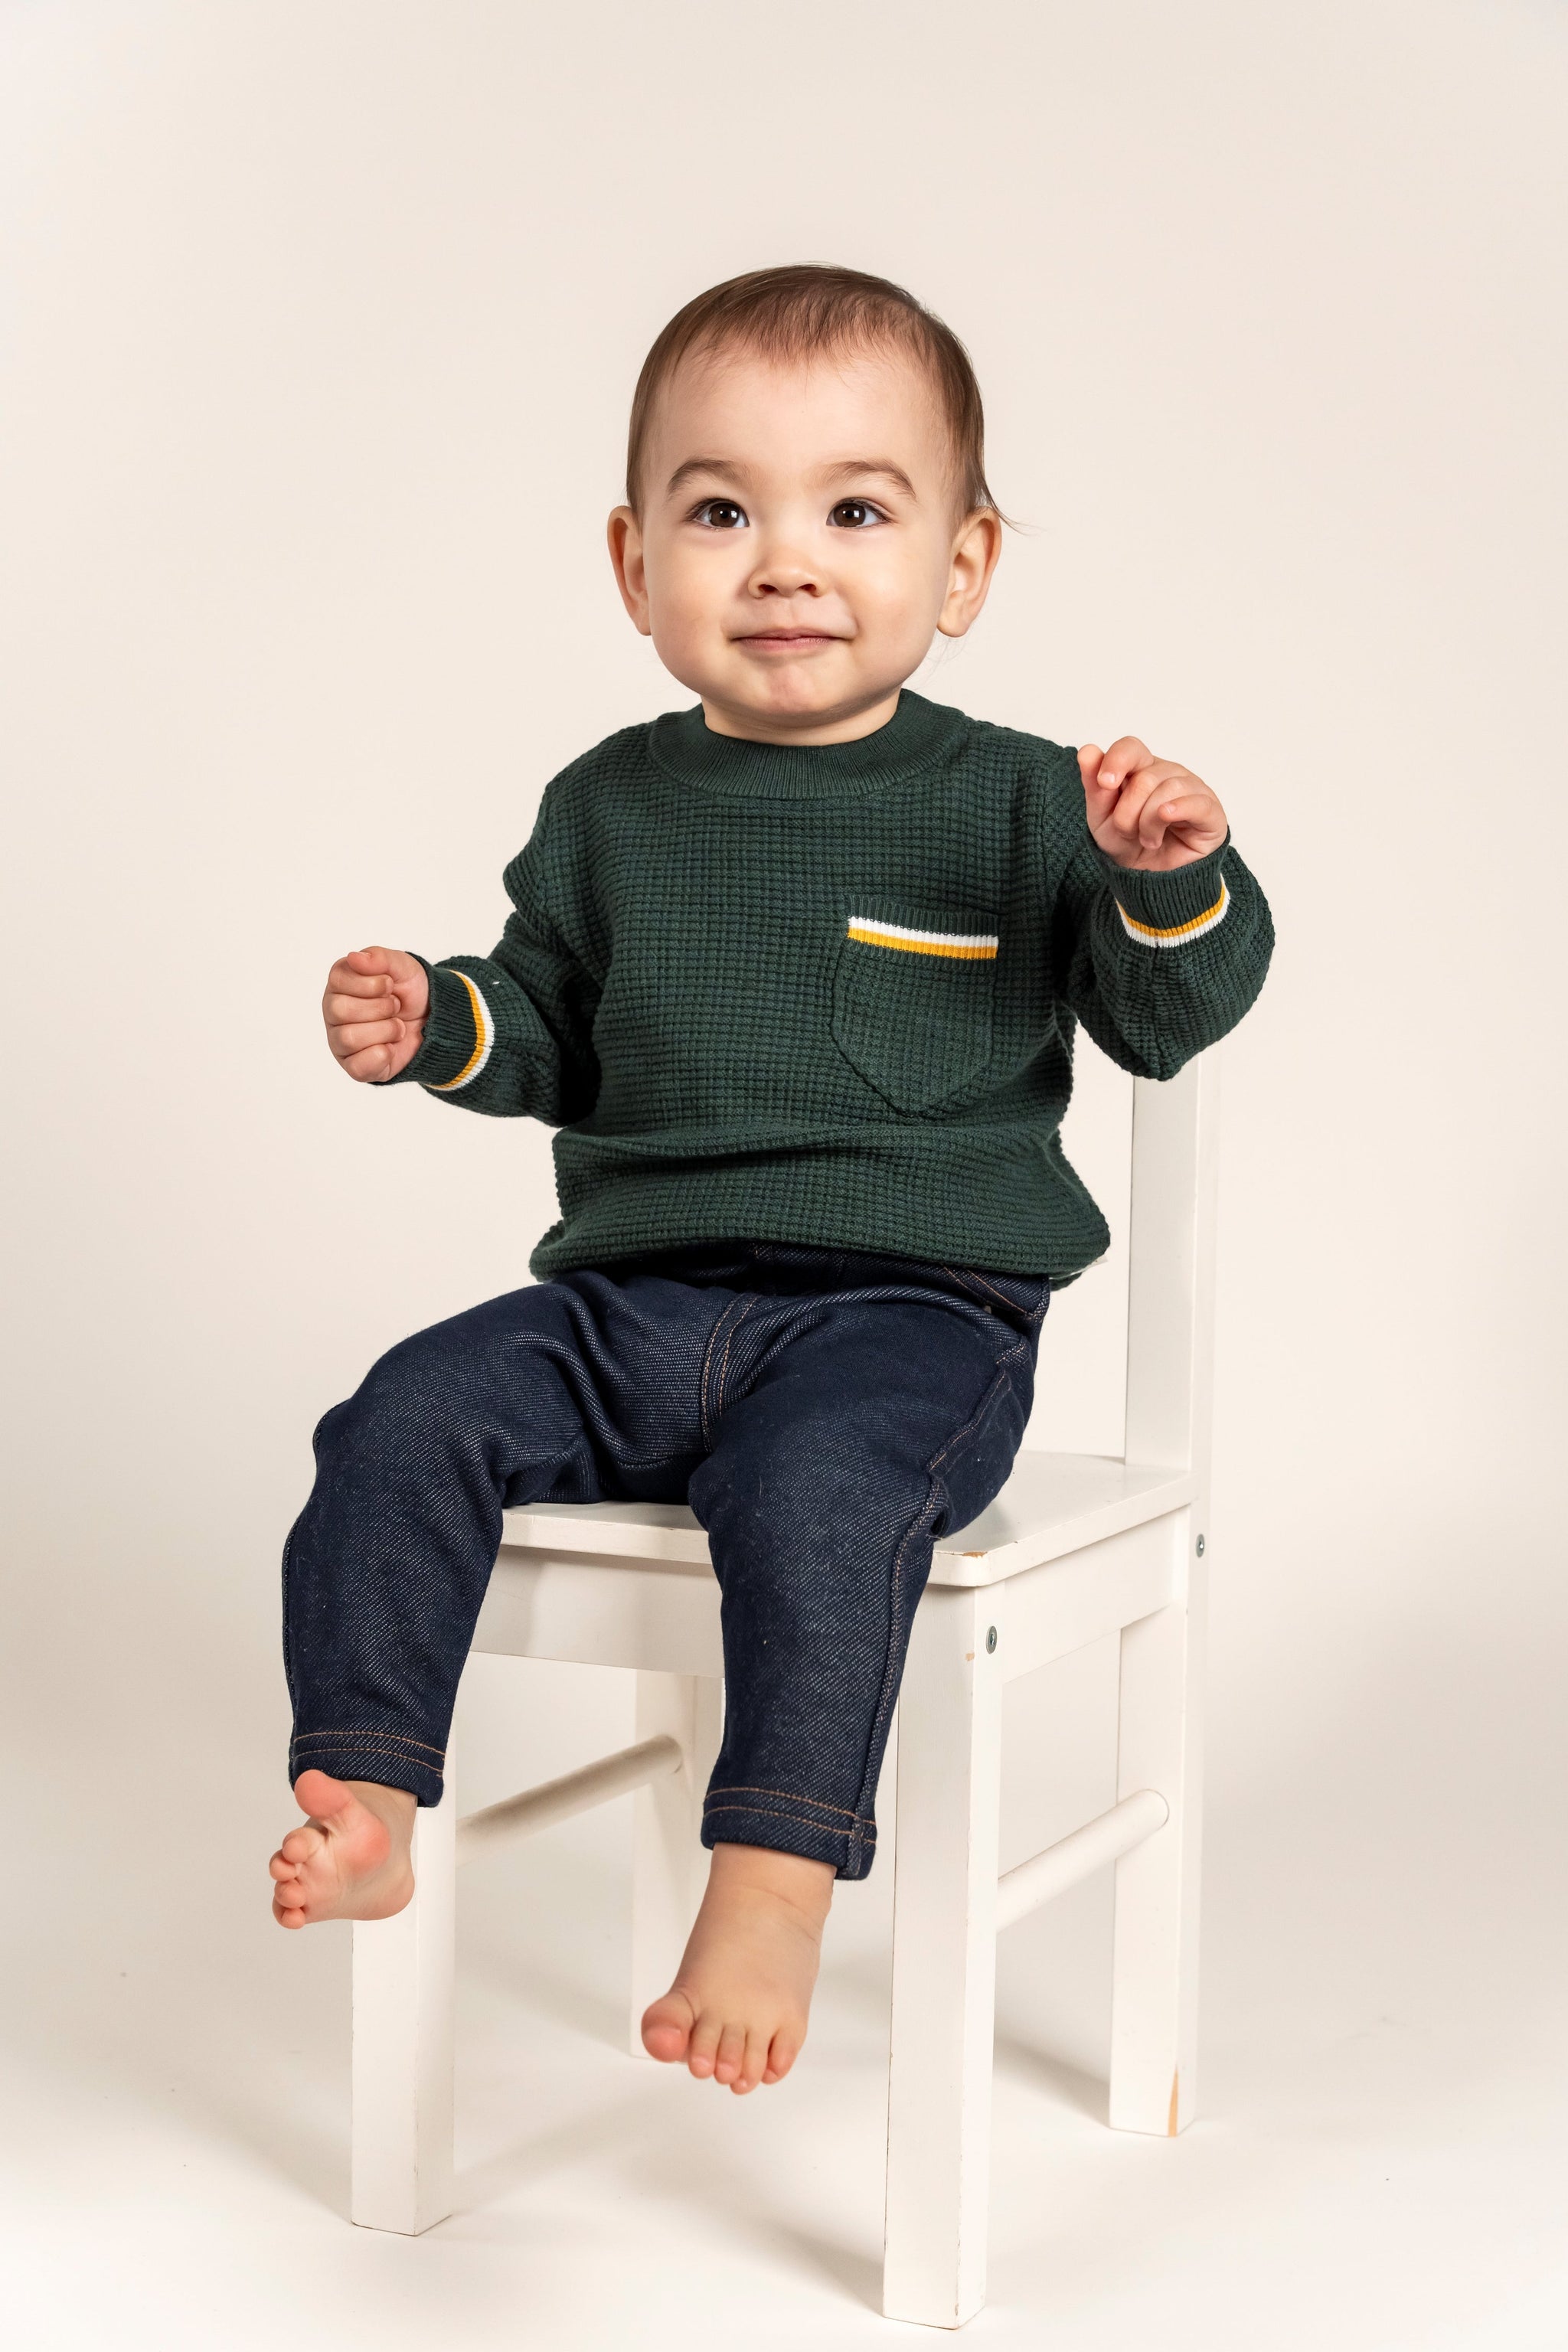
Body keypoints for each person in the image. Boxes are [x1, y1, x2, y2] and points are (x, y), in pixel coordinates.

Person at [268, 263, 1272, 2098]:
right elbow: (553, 1028)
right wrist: (440, 1023)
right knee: (399, 1418)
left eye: (855, 511)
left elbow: (1167, 1014)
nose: (784, 562)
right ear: (633, 562)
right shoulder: (607, 805)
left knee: (813, 1494)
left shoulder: (1027, 804)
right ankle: (364, 1783)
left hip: (906, 1321)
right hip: (626, 1309)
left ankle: (778, 1872)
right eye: (720, 510)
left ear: (960, 569)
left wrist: (1166, 876)